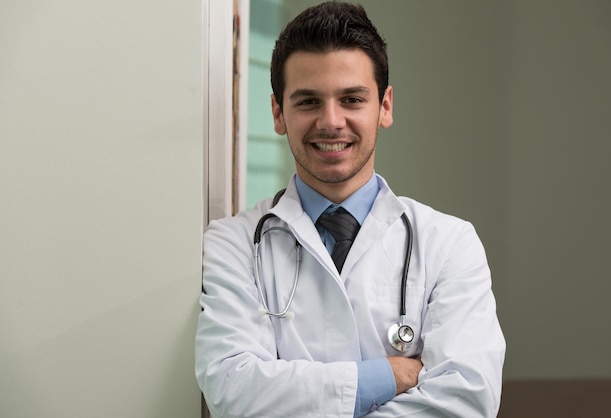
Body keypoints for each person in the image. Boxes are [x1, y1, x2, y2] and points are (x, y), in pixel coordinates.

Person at [195, 2, 505, 417]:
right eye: (308, 101)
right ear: (277, 112)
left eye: (352, 99)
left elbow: (467, 399)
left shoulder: (450, 243)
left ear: (385, 106)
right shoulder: (232, 243)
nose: (331, 121)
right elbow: (234, 391)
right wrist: (391, 376)